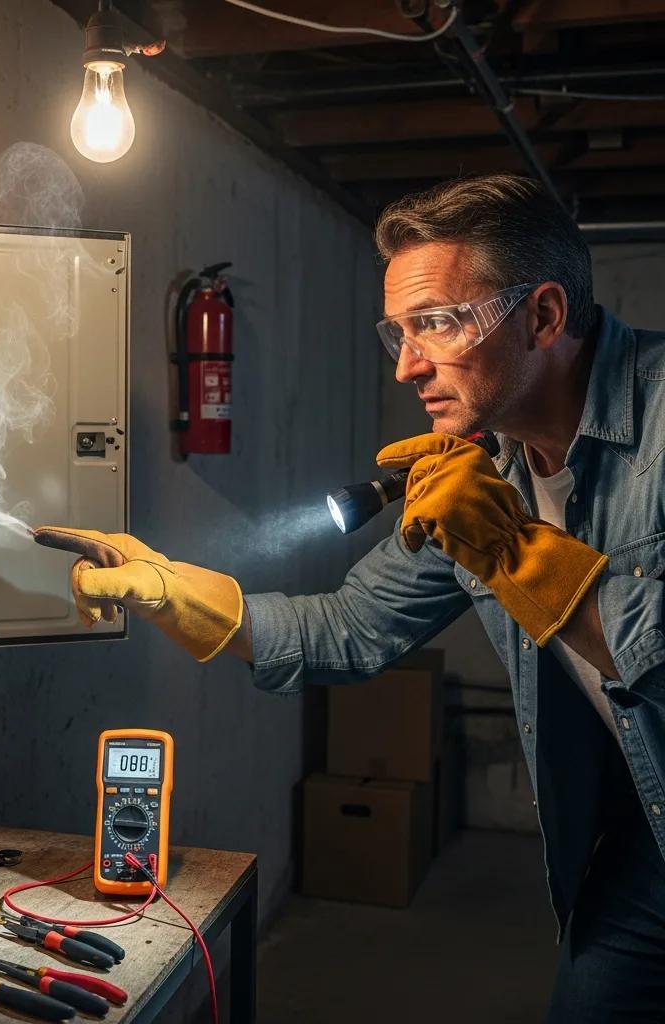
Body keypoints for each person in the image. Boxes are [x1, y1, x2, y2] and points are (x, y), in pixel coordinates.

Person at [35, 174, 665, 1021]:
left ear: (544, 317)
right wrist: (174, 593)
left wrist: (515, 552)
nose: (409, 365)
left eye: (437, 323)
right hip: (640, 845)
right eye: (399, 332)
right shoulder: (487, 474)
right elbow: (350, 627)